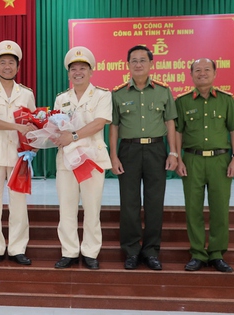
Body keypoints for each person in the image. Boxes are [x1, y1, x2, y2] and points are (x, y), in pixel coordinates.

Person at [175, 58, 234, 273]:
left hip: (220, 161)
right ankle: (197, 253)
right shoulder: (183, 101)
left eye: (207, 70)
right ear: (191, 74)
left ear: (215, 73)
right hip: (192, 160)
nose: (202, 73)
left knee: (220, 209)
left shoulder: (226, 100)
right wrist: (178, 158)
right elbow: (178, 132)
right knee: (193, 209)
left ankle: (216, 254)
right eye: (197, 70)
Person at [109, 45, 178, 271]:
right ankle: (130, 250)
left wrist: (173, 152)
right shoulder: (118, 94)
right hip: (128, 151)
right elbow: (114, 127)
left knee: (154, 202)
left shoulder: (163, 91)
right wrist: (113, 156)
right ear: (127, 65)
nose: (138, 64)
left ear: (151, 64)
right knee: (129, 203)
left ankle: (151, 251)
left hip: (156, 150)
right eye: (134, 61)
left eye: (142, 60)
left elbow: (170, 123)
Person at [52, 47, 112, 270]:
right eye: (73, 69)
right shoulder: (61, 99)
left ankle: (90, 252)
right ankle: (69, 251)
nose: (78, 72)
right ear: (68, 74)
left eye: (82, 68)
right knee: (66, 208)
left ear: (91, 71)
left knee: (92, 207)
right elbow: (57, 126)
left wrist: (73, 135)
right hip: (67, 160)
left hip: (92, 158)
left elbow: (99, 122)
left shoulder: (103, 95)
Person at [0, 40, 37, 266]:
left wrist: (35, 139)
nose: (7, 66)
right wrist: (19, 127)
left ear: (18, 67)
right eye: (2, 62)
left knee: (19, 203)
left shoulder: (27, 93)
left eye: (11, 62)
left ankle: (17, 248)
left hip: (19, 155)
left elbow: (33, 123)